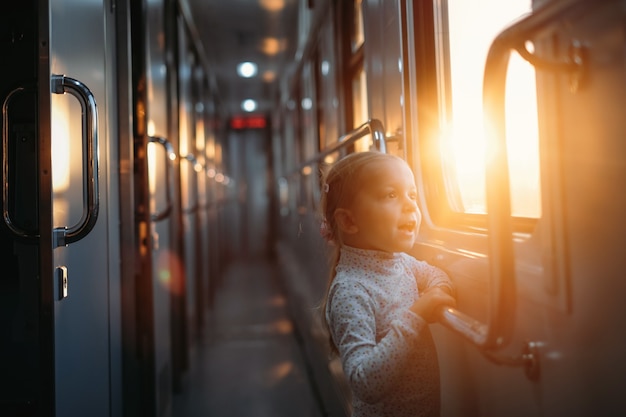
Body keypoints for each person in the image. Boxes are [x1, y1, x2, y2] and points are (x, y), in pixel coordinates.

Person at [319, 151, 456, 417]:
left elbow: (437, 276)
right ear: (349, 220)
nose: (410, 206)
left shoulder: (401, 262)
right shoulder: (351, 290)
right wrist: (417, 315)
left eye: (412, 195)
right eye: (391, 195)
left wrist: (439, 292)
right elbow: (364, 383)